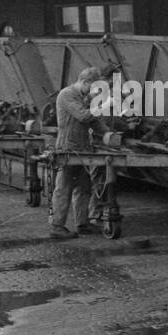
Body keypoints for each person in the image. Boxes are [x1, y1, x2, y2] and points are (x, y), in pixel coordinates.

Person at [49, 66, 108, 239]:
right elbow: (83, 116)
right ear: (85, 82)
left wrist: (108, 134)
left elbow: (95, 122)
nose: (94, 92)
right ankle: (57, 226)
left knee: (84, 187)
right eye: (93, 87)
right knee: (64, 187)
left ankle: (83, 224)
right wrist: (104, 105)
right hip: (67, 148)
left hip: (82, 149)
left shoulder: (84, 97)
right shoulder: (67, 95)